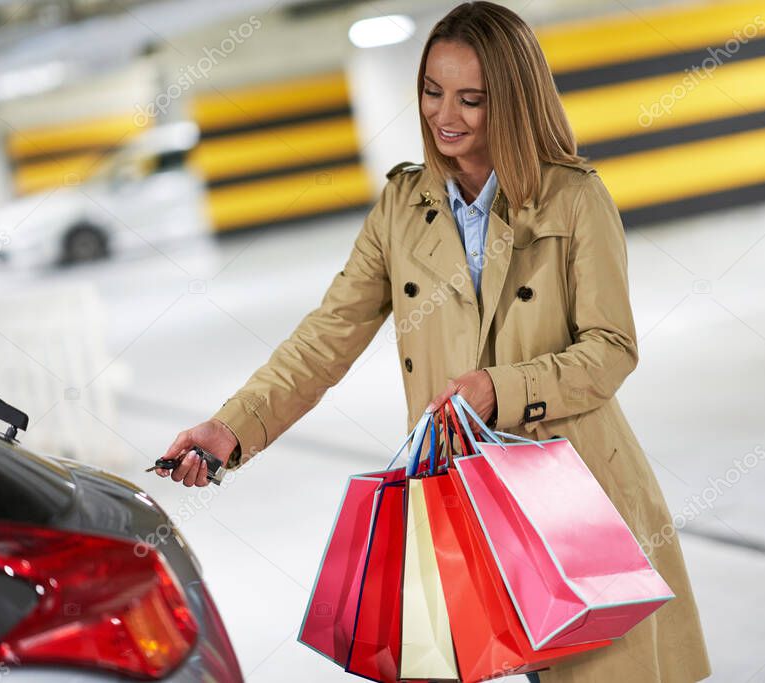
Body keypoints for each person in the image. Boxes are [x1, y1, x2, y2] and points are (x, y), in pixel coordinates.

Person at [157, 2, 711, 681]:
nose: (444, 115)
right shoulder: (400, 208)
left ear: (511, 100)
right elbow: (327, 335)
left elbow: (612, 347)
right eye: (432, 91)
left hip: (576, 495)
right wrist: (231, 428)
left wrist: (500, 390)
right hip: (459, 504)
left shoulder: (573, 199)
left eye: (471, 99)